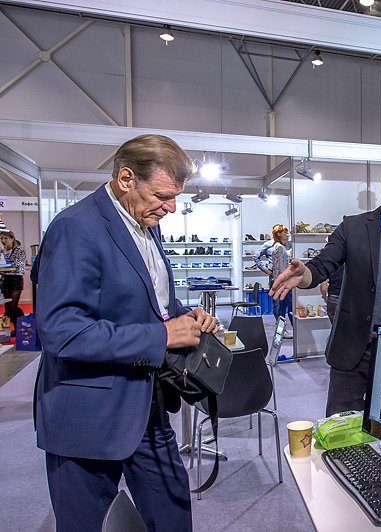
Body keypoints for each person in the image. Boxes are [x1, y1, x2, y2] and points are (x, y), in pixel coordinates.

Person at [33, 134, 219, 532]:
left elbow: (150, 302)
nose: (171, 208)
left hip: (148, 404)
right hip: (88, 416)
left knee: (173, 517)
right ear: (126, 179)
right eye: (163, 196)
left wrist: (185, 317)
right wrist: (162, 336)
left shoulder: (147, 223)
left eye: (176, 197)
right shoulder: (74, 227)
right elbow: (62, 331)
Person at [271, 159, 381, 416]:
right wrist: (304, 275)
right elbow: (323, 264)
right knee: (341, 427)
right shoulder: (353, 227)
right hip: (354, 348)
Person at [268, 224, 293, 337]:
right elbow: (282, 268)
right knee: (288, 308)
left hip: (280, 281)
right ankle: (291, 330)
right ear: (279, 234)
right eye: (285, 232)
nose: (287, 234)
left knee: (282, 308)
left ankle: (282, 331)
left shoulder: (279, 247)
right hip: (283, 282)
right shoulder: (279, 248)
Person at [0, 230, 27, 331]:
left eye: (5, 238)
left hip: (16, 279)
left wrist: (4, 267)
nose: (3, 240)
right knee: (7, 308)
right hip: (5, 279)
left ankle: (22, 327)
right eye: (1, 238)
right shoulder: (3, 251)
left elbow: (17, 266)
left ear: (12, 238)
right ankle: (12, 331)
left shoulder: (19, 250)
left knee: (12, 307)